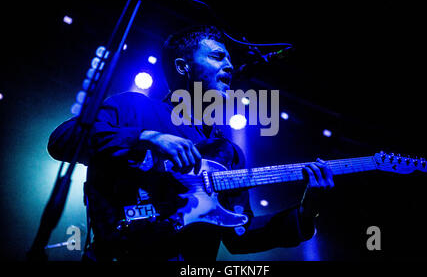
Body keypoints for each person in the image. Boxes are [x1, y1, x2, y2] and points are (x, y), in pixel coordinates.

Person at [47, 25, 335, 261]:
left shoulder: (230, 153)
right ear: (183, 67)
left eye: (230, 60)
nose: (230, 66)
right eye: (217, 57)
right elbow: (61, 141)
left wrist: (307, 211)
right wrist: (145, 137)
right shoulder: (134, 107)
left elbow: (240, 236)